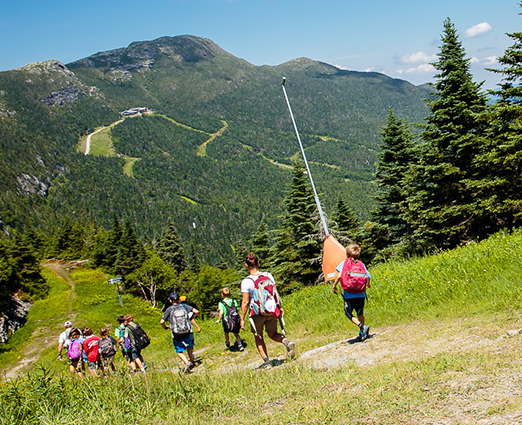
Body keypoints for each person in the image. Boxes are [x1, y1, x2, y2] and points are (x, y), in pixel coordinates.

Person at [240, 253, 295, 369]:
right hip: (271, 310)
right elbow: (275, 292)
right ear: (258, 263)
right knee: (273, 333)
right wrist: (279, 307)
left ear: (246, 265)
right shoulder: (268, 275)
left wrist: (242, 319)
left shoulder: (246, 281)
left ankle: (267, 362)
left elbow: (245, 302)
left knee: (258, 336)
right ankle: (287, 342)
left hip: (257, 313)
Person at [332, 244, 371, 341]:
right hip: (361, 293)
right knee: (360, 313)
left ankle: (362, 327)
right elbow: (367, 276)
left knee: (348, 314)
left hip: (349, 294)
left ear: (347, 254)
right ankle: (363, 333)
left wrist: (334, 286)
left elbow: (339, 276)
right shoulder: (361, 264)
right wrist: (368, 285)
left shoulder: (345, 263)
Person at [161, 292, 199, 373]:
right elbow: (196, 311)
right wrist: (190, 319)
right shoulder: (184, 306)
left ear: (170, 301)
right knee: (189, 346)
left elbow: (161, 321)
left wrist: (165, 327)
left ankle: (186, 362)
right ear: (179, 299)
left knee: (179, 350)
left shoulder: (169, 309)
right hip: (187, 330)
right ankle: (191, 360)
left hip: (176, 332)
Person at [216, 287, 244, 351]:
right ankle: (240, 345)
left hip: (226, 321)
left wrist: (219, 319)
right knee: (236, 333)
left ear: (222, 295)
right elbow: (236, 309)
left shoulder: (221, 303)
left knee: (226, 332)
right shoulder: (234, 301)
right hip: (235, 320)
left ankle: (228, 343)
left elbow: (221, 312)